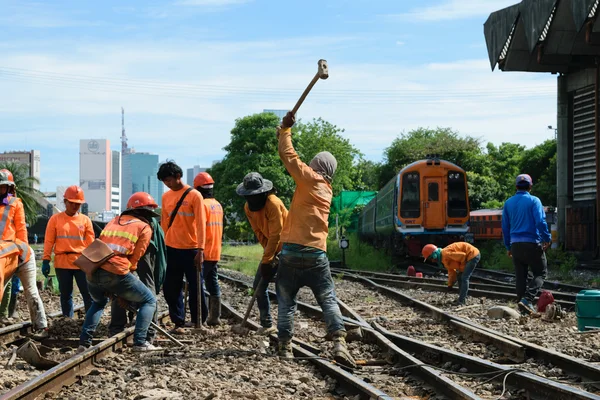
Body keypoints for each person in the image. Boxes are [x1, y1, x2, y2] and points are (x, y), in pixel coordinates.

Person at [275, 112, 356, 368]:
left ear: (316, 167)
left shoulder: (310, 179)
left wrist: (286, 130)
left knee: (287, 302)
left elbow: (289, 157)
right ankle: (340, 343)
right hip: (316, 256)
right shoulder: (327, 189)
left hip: (290, 253)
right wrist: (283, 135)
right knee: (328, 299)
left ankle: (285, 348)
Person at [79, 192, 161, 353]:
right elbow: (134, 261)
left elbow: (100, 246)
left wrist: (115, 290)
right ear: (146, 213)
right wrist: (122, 291)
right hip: (116, 270)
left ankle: (84, 343)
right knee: (149, 301)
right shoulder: (144, 227)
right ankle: (140, 342)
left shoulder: (113, 221)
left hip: (93, 269)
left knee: (98, 303)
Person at [108, 192, 167, 342]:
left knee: (128, 288)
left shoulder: (123, 222)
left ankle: (117, 329)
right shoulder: (151, 225)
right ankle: (147, 333)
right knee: (148, 291)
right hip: (134, 256)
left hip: (134, 256)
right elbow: (160, 261)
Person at [158, 161, 207, 334]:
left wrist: (201, 249)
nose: (167, 184)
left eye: (169, 180)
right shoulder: (166, 197)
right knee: (171, 288)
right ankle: (178, 321)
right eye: (165, 182)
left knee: (196, 288)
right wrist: (162, 246)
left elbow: (201, 224)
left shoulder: (195, 195)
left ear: (178, 177)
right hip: (171, 248)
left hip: (192, 249)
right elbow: (164, 223)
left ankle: (198, 321)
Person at [236, 172, 288, 335]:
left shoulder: (273, 203)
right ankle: (267, 324)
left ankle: (285, 328)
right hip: (272, 249)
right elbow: (259, 232)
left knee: (284, 288)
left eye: (255, 195)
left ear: (263, 192)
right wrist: (269, 255)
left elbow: (277, 234)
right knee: (258, 286)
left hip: (288, 248)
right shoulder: (248, 208)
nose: (252, 199)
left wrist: (269, 259)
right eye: (248, 196)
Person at [0, 169, 47, 336]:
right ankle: (3, 316)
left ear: (9, 188)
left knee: (31, 290)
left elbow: (21, 230)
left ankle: (41, 326)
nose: (0, 190)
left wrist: (21, 252)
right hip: (3, 257)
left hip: (21, 257)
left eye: (3, 187)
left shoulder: (16, 204)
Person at [502, 174, 552, 315]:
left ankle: (522, 307)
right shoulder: (534, 201)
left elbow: (505, 228)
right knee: (541, 273)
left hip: (516, 245)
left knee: (520, 276)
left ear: (516, 186)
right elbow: (540, 222)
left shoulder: (508, 203)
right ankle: (527, 299)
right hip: (532, 244)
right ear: (530, 186)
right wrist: (546, 238)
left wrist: (508, 246)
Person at [43, 185, 94, 317]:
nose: (75, 206)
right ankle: (67, 320)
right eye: (72, 203)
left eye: (77, 204)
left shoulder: (85, 220)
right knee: (66, 295)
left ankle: (89, 322)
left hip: (81, 263)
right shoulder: (55, 220)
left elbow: (91, 244)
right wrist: (45, 260)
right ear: (65, 202)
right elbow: (49, 241)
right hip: (62, 263)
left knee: (87, 293)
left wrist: (94, 263)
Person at [193, 172, 224, 326]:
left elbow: (199, 229)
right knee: (212, 284)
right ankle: (215, 316)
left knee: (198, 286)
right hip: (215, 250)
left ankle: (201, 317)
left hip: (204, 251)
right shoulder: (217, 205)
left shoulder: (202, 205)